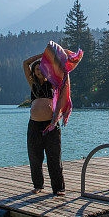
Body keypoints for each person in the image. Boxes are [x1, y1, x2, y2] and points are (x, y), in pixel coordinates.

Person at [23, 54, 67, 195]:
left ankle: (58, 188)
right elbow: (25, 63)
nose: (38, 71)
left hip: (51, 125)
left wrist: (48, 56)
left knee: (54, 157)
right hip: (34, 126)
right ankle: (38, 185)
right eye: (36, 69)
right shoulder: (32, 83)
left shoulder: (53, 82)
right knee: (35, 157)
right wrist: (42, 55)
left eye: (40, 69)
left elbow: (60, 68)